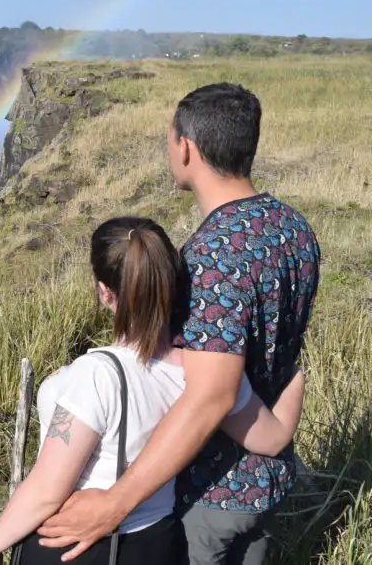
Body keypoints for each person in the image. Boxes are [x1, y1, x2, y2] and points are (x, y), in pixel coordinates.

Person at [35, 83, 321, 564]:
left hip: (209, 495)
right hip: (265, 484)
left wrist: (115, 504)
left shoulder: (211, 258)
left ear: (186, 147)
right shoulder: (293, 228)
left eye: (170, 139)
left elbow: (211, 395)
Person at [0, 216, 306, 565]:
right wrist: (295, 373)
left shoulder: (96, 375)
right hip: (156, 543)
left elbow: (46, 491)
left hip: (77, 545)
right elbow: (271, 438)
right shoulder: (209, 373)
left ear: (104, 291)